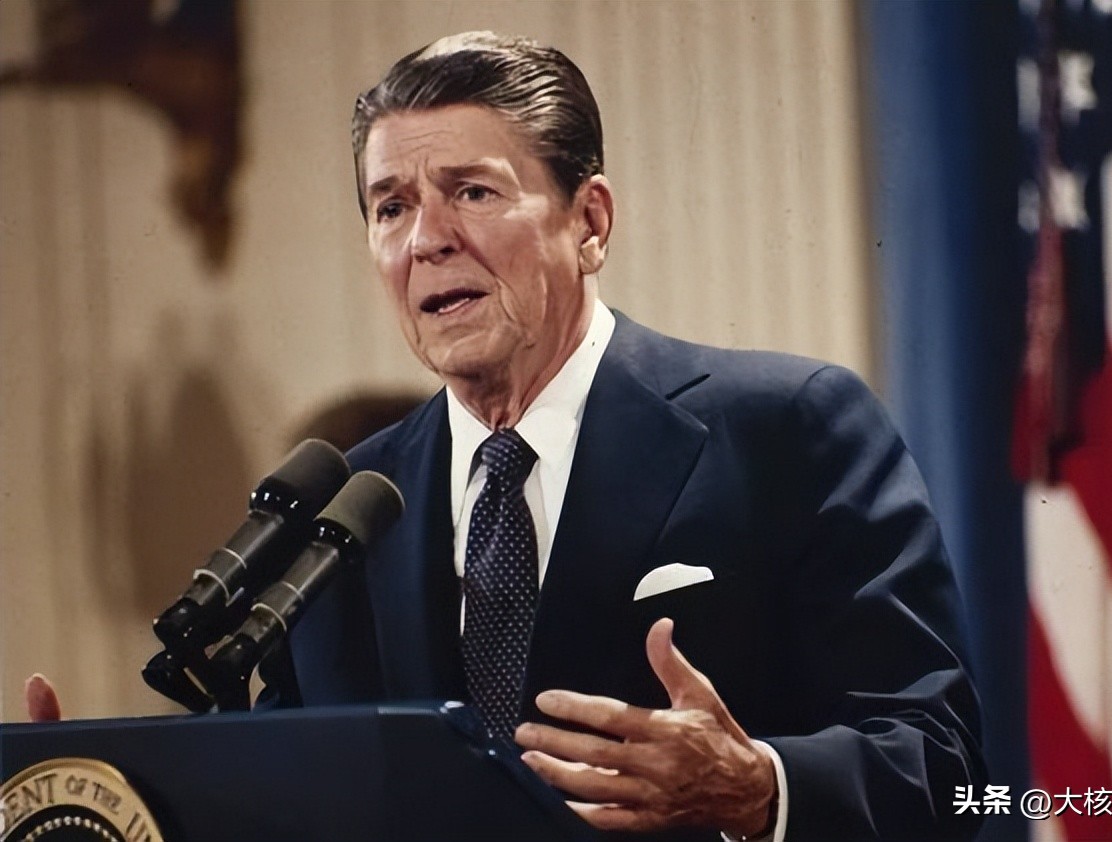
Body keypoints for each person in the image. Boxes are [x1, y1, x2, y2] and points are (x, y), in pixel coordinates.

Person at [31, 31, 987, 842]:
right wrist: (125, 804)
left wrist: (758, 787)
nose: (426, 239)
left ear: (590, 222)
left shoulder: (787, 427)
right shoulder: (344, 517)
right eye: (391, 206)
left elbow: (941, 764)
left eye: (473, 192)